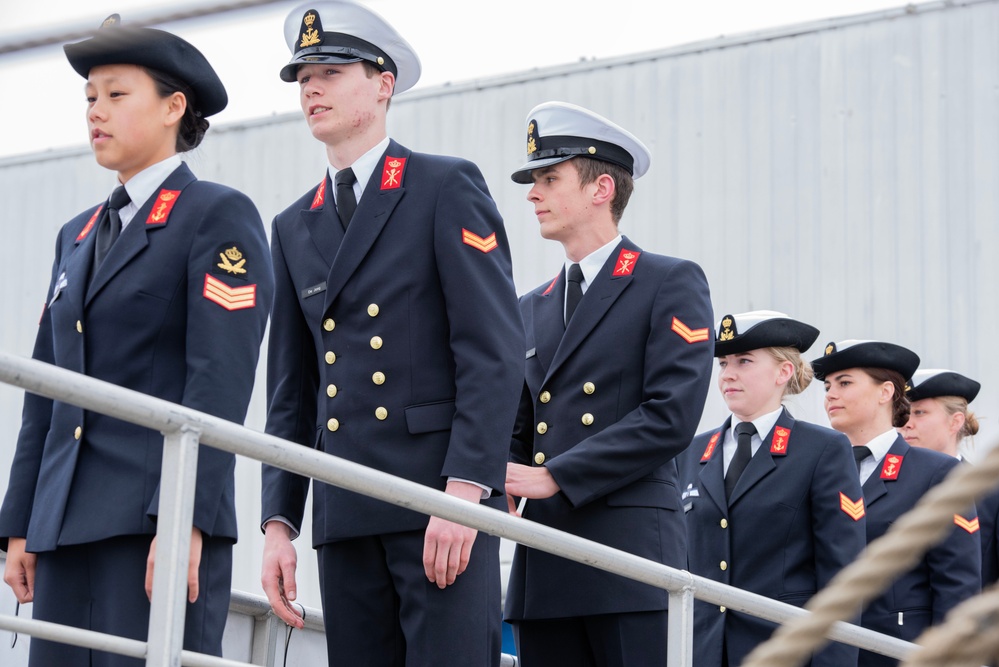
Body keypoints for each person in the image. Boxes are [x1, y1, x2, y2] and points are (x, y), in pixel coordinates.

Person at [0, 14, 273, 666]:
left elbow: (219, 378)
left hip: (154, 520)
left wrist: (187, 517)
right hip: (64, 526)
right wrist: (18, 523)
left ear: (174, 106)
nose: (96, 111)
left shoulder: (213, 214)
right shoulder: (77, 233)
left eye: (117, 95)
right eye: (90, 98)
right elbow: (45, 386)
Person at [259, 3, 524, 666]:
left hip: (436, 499)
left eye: (330, 71)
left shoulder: (441, 185)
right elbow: (292, 390)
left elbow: (491, 350)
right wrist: (278, 524)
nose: (311, 88)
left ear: (383, 83)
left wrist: (466, 492)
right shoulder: (294, 225)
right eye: (302, 77)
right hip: (344, 510)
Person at [503, 101, 714, 666]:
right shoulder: (530, 306)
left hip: (628, 557)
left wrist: (556, 475)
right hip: (546, 561)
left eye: (549, 179)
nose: (532, 194)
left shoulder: (668, 281)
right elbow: (518, 424)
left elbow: (671, 415)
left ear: (601, 189)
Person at [680, 311, 865, 667]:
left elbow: (843, 577)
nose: (728, 374)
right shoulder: (690, 452)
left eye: (744, 361)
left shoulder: (821, 450)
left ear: (784, 372)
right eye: (723, 363)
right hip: (699, 652)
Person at [812, 341, 981, 667]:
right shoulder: (813, 466)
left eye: (844, 383)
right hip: (823, 651)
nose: (830, 394)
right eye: (828, 386)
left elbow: (956, 584)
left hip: (898, 651)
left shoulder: (936, 472)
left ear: (885, 391)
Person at [902, 370, 997, 585]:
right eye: (902, 412)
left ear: (955, 422)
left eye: (919, 412)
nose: (906, 422)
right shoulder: (880, 484)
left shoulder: (991, 491)